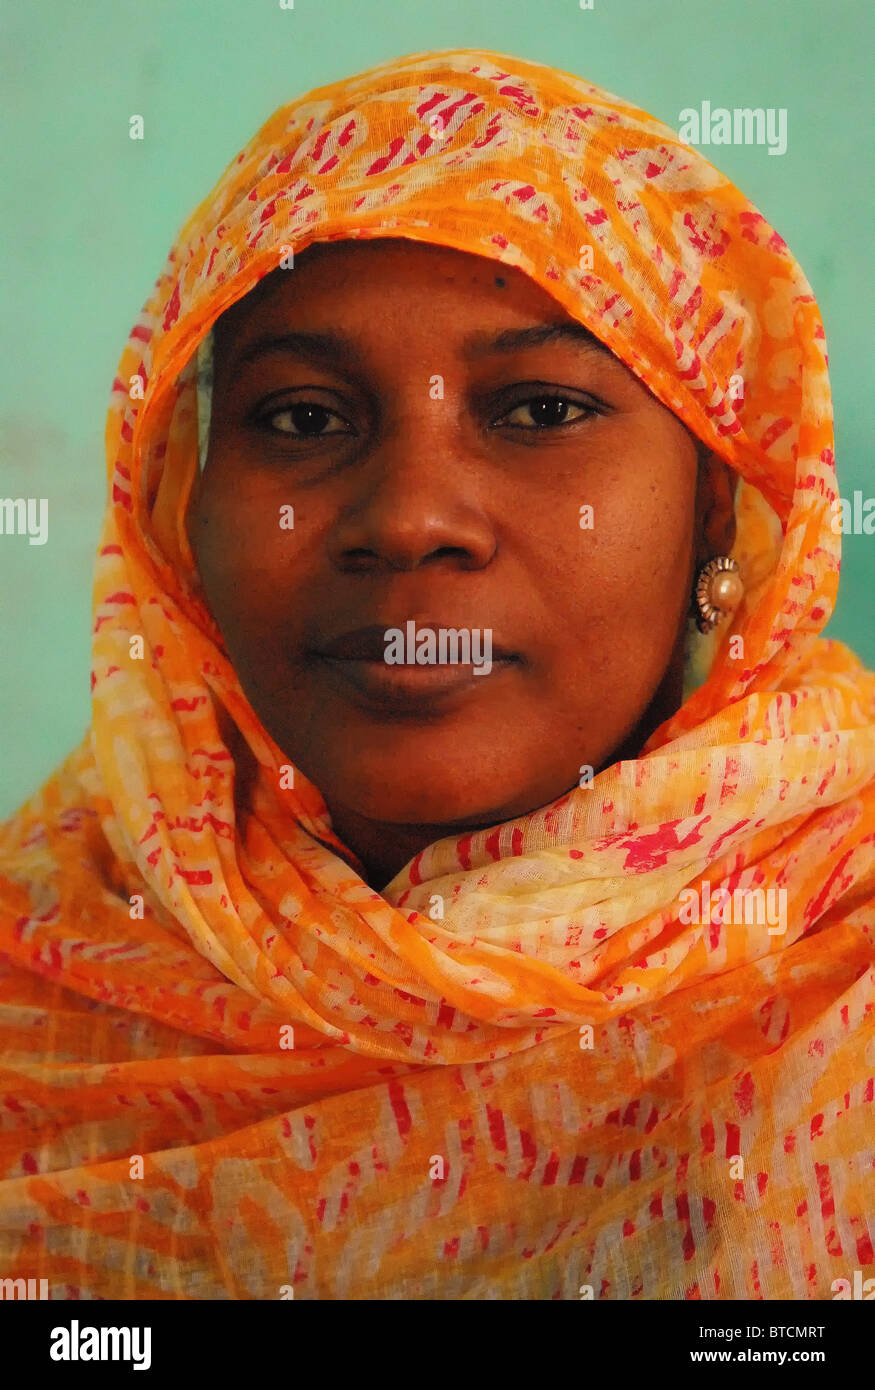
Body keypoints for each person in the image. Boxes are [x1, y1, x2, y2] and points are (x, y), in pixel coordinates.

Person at [0, 46, 872, 1301]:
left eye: (538, 411)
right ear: (179, 515)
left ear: (715, 517)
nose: (409, 517)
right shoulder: (52, 965)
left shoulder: (840, 970)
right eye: (301, 417)